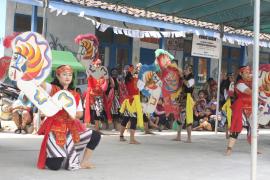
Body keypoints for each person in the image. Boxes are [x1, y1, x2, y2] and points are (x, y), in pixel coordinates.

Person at [37, 65, 101, 170]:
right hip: (55, 129)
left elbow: (80, 113)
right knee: (55, 166)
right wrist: (37, 70)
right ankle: (58, 154)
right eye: (64, 74)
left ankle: (84, 162)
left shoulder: (75, 94)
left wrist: (73, 114)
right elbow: (40, 84)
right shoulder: (53, 89)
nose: (67, 77)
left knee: (95, 136)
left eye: (70, 75)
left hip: (71, 128)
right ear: (58, 76)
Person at [225, 66, 252, 156]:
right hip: (241, 108)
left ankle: (254, 148)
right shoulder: (240, 84)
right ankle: (229, 149)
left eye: (249, 72)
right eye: (246, 72)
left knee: (252, 129)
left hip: (250, 107)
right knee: (237, 129)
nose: (249, 74)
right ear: (241, 73)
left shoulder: (248, 82)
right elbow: (250, 92)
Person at [175, 64, 195, 142]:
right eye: (185, 69)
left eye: (186, 70)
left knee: (188, 118)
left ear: (190, 71)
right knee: (180, 117)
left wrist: (182, 77)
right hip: (183, 99)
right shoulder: (185, 77)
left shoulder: (192, 78)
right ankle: (178, 136)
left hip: (188, 100)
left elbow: (188, 84)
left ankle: (189, 138)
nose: (185, 71)